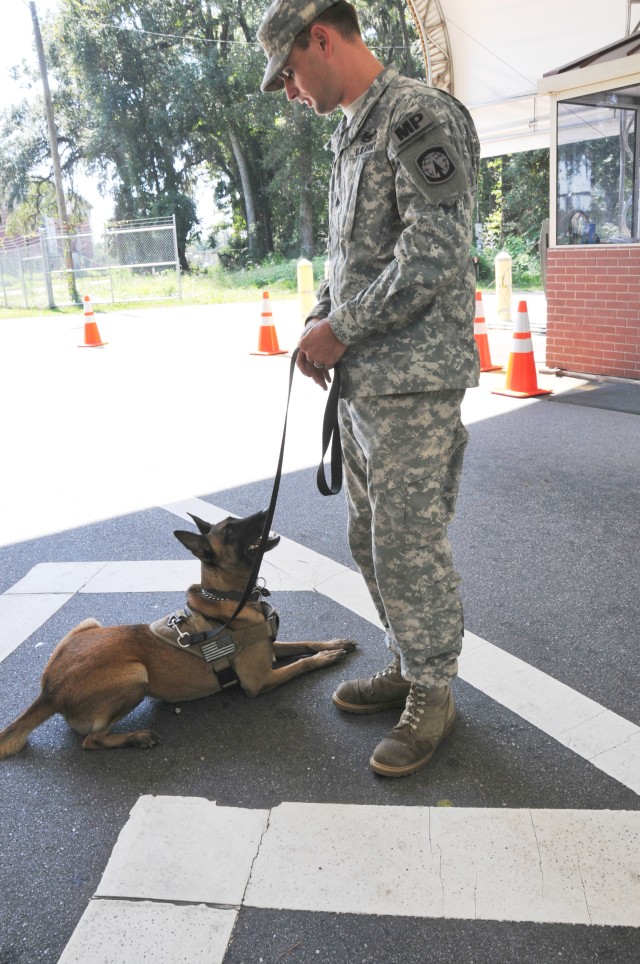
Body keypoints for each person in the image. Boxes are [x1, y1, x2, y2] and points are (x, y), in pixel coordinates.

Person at [257, 0, 480, 778]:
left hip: (413, 382)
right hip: (363, 383)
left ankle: (433, 691)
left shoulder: (417, 116)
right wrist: (324, 319)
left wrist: (343, 328)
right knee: (368, 541)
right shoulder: (353, 133)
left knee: (408, 545)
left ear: (321, 39)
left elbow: (434, 253)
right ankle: (407, 661)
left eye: (287, 71)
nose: (287, 89)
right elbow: (351, 254)